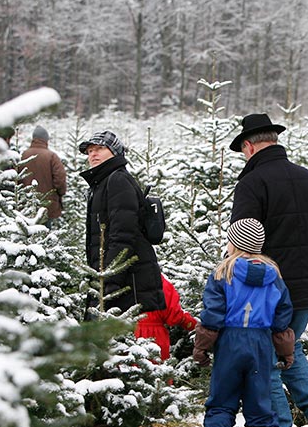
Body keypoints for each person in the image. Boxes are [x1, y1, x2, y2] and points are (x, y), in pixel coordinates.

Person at [229, 113, 308, 427]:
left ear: (248, 146)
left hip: (265, 287)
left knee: (268, 358)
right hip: (305, 287)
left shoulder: (251, 184)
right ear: (274, 140)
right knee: (289, 346)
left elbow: (242, 242)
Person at [193, 218, 295, 427]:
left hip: (230, 342)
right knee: (260, 399)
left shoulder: (222, 273)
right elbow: (282, 317)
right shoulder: (274, 276)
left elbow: (212, 314)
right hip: (260, 343)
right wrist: (286, 351)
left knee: (222, 394)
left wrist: (202, 347)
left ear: (234, 244)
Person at [78, 130, 166, 319]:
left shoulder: (117, 180)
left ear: (115, 152)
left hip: (128, 282)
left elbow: (123, 235)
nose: (93, 154)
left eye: (100, 148)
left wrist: (109, 282)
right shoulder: (101, 183)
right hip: (115, 277)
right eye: (90, 150)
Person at [135, 274, 197, 361]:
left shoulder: (117, 278)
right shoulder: (157, 280)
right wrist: (192, 324)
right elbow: (173, 314)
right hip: (153, 336)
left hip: (120, 332)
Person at [19, 125, 68, 228]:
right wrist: (61, 193)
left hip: (25, 204)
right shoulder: (51, 156)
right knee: (45, 234)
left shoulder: (23, 155)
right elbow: (60, 179)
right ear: (46, 139)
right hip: (47, 205)